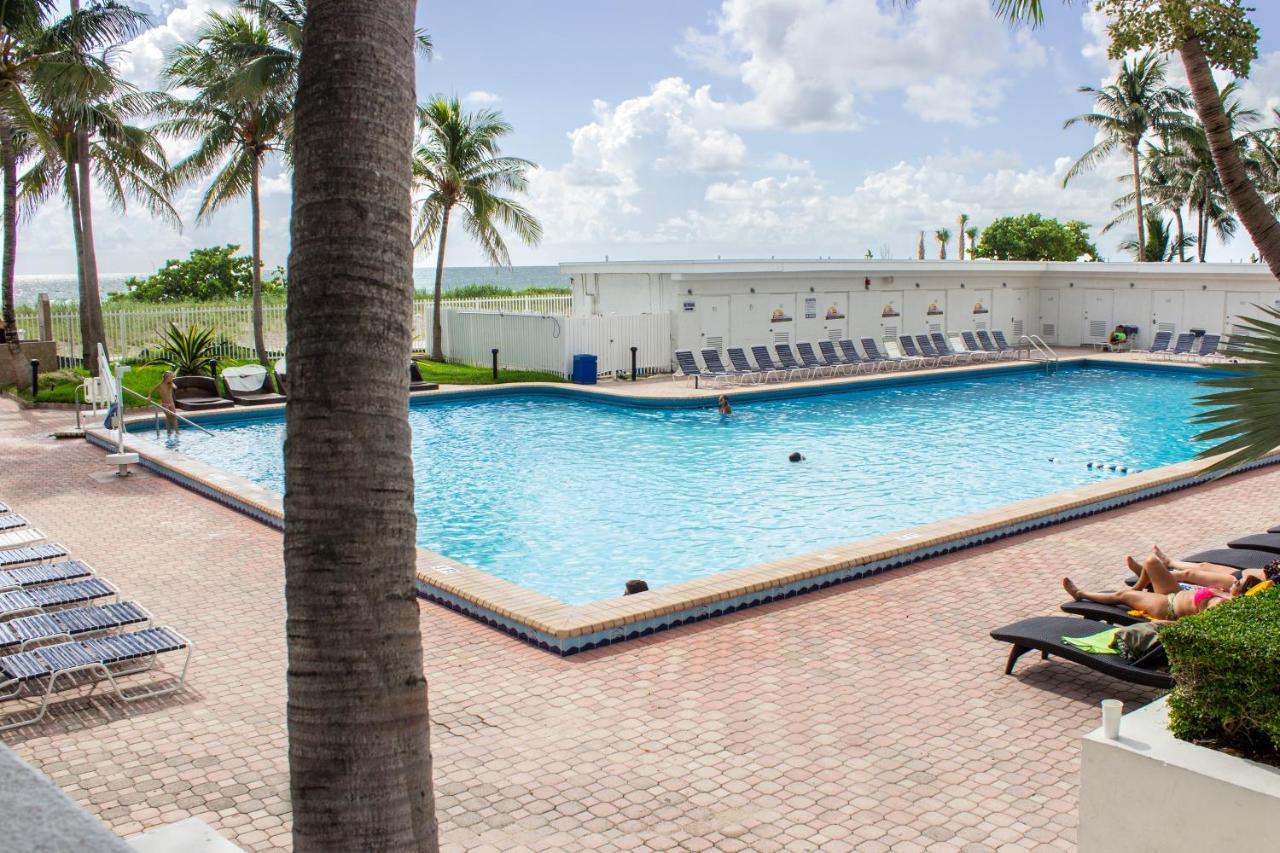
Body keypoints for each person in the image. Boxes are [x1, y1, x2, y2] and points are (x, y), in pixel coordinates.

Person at [1064, 554, 1258, 622]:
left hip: (1168, 606)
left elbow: (1195, 626)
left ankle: (1081, 593)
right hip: (1176, 592)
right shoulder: (1227, 595)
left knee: (1122, 595)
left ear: (1239, 592)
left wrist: (1167, 625)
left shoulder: (1221, 607)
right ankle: (1141, 585)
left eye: (1237, 584)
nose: (1234, 582)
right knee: (1151, 561)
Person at [148, 371, 179, 436]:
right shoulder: (160, 385)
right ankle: (169, 432)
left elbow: (175, 387)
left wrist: (172, 383)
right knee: (168, 416)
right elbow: (151, 391)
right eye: (171, 378)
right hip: (165, 404)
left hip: (171, 403)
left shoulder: (170, 384)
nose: (172, 379)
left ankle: (177, 432)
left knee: (174, 417)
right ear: (166, 378)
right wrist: (149, 396)